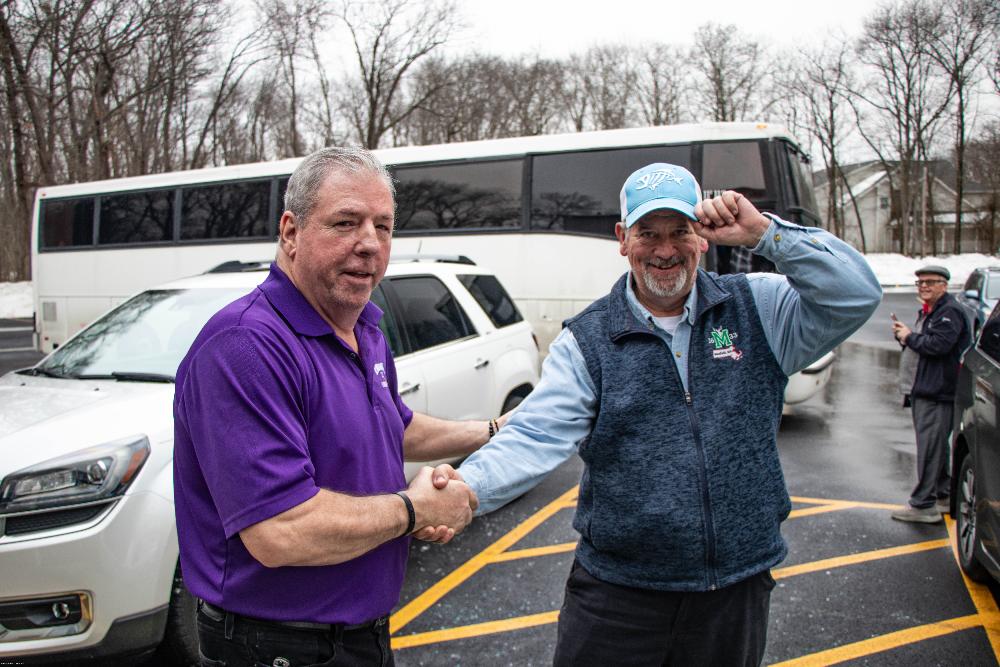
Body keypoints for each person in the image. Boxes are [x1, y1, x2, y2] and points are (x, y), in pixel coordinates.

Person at [446, 163, 881, 666]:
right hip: (618, 596)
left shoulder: (755, 306)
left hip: (733, 591)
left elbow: (856, 293)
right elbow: (536, 433)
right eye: (647, 233)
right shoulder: (588, 340)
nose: (665, 249)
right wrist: (466, 489)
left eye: (680, 231)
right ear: (622, 240)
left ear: (701, 237)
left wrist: (767, 234)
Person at [173, 147, 492, 667]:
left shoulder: (364, 326)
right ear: (291, 232)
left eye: (384, 226)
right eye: (346, 222)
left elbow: (396, 426)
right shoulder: (245, 345)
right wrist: (415, 511)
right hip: (274, 648)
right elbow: (281, 531)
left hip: (361, 636)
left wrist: (495, 430)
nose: (369, 244)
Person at [891, 265, 970, 524]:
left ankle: (923, 504)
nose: (924, 286)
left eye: (931, 282)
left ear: (944, 286)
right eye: (920, 282)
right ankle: (943, 494)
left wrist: (909, 336)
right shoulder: (935, 310)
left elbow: (938, 346)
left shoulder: (949, 312)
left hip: (936, 393)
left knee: (929, 449)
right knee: (934, 447)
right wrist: (906, 336)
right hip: (926, 389)